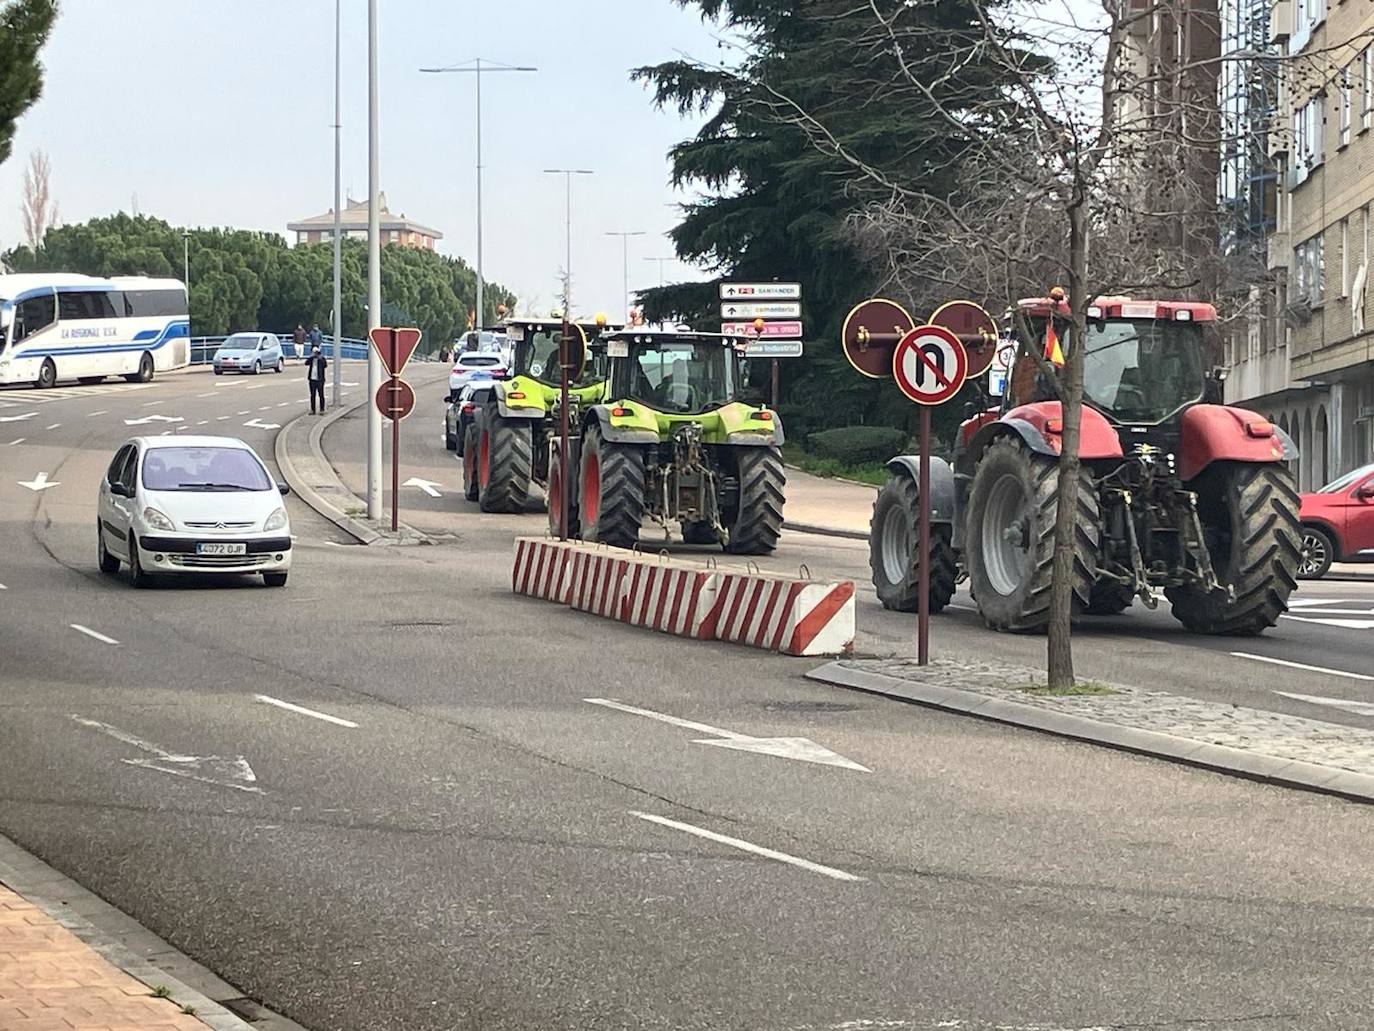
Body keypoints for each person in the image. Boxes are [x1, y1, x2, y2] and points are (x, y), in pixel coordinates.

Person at [305, 343, 328, 414]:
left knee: (321, 395)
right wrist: (311, 357)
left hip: (320, 379)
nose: (315, 354)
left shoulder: (322, 359)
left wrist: (320, 357)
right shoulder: (311, 359)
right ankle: (313, 409)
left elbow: (325, 365)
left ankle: (322, 409)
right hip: (312, 379)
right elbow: (306, 363)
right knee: (312, 395)